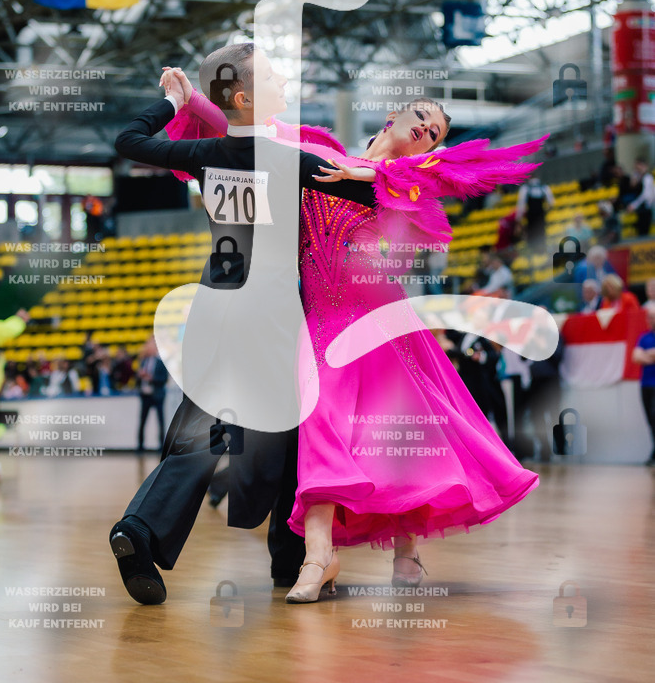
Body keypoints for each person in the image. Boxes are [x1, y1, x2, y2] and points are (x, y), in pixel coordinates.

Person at [162, 65, 547, 603]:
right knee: (322, 426)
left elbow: (422, 184)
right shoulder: (318, 153)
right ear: (394, 115)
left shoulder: (411, 178)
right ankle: (319, 556)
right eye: (422, 117)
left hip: (381, 320)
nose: (427, 130)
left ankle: (406, 550)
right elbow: (252, 141)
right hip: (322, 321)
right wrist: (193, 102)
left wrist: (364, 176)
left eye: (435, 133)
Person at [109, 44, 377, 604]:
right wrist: (368, 169)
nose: (285, 85)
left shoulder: (208, 154)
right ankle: (291, 557)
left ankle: (140, 528)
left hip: (214, 306)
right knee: (294, 433)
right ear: (246, 97)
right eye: (274, 78)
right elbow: (376, 194)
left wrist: (174, 101)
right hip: (272, 315)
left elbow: (129, 141)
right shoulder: (292, 160)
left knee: (202, 431)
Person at [631, 303, 655, 466]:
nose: (649, 320)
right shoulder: (644, 337)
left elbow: (641, 355)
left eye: (652, 317)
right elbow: (636, 357)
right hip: (645, 384)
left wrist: (645, 354)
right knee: (650, 420)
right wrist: (651, 355)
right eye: (649, 317)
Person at [136, 336, 167, 452]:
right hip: (145, 395)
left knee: (160, 421)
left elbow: (164, 379)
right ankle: (140, 445)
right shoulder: (143, 361)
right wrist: (140, 376)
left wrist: (151, 378)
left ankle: (161, 445)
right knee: (142, 420)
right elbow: (138, 379)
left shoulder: (161, 362)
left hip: (157, 395)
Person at [516, 177, 554, 253]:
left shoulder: (525, 188)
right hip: (540, 216)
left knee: (532, 236)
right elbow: (551, 203)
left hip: (531, 216)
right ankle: (541, 252)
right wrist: (545, 212)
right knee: (541, 235)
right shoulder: (544, 187)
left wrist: (518, 219)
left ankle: (533, 252)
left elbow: (521, 205)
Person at [627, 159, 655, 238]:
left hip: (646, 208)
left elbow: (646, 195)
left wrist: (634, 205)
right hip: (641, 209)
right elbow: (632, 186)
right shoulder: (639, 178)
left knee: (644, 232)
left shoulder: (647, 177)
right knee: (641, 232)